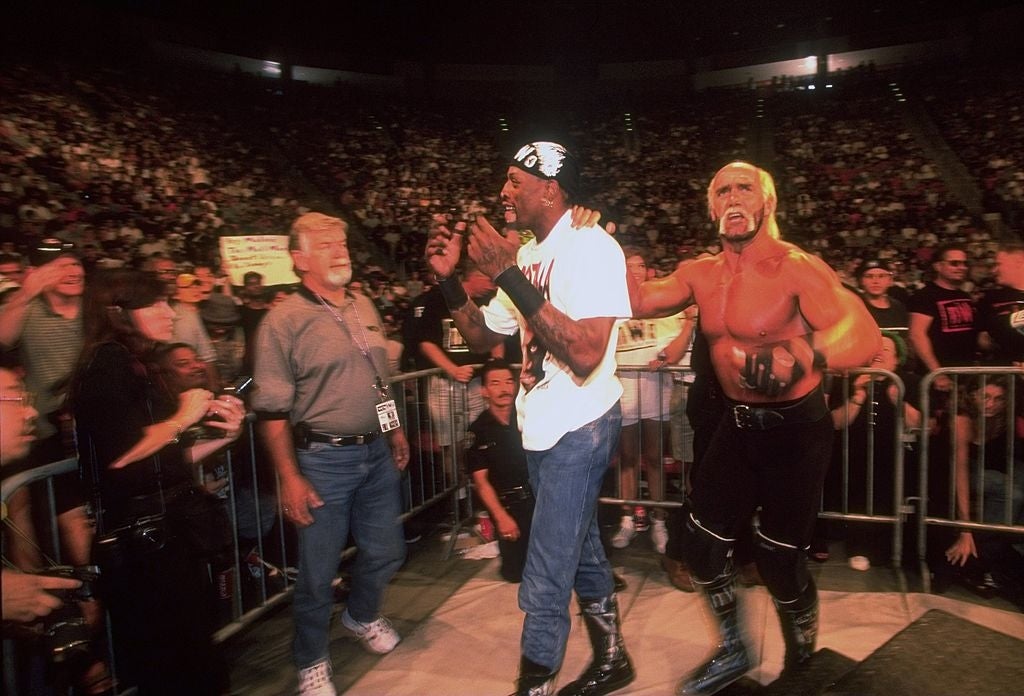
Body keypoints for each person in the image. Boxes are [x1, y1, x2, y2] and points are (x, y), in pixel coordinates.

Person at [628, 161, 879, 693]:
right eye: (723, 190)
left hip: (796, 431)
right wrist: (605, 254)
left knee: (778, 559)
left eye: (745, 187)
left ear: (767, 202)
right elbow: (639, 301)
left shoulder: (795, 267)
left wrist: (804, 353)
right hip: (737, 424)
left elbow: (864, 334)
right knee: (700, 545)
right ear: (712, 207)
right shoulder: (700, 272)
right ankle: (732, 647)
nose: (734, 197)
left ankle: (803, 660)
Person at [425, 140, 635, 696]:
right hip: (542, 425)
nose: (504, 191)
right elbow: (482, 337)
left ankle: (535, 682)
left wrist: (505, 271)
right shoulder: (527, 254)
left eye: (515, 181)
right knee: (580, 547)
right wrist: (449, 280)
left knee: (545, 569)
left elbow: (585, 354)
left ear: (550, 190)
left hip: (581, 424)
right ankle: (613, 658)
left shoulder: (592, 246)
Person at [252, 212, 409, 696]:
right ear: (299, 259)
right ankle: (311, 659)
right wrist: (289, 477)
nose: (340, 250)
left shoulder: (363, 304)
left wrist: (395, 430)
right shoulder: (282, 321)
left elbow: (378, 379)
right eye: (324, 245)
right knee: (318, 573)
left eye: (341, 242)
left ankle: (360, 615)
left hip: (376, 452)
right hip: (322, 460)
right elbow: (272, 410)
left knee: (387, 550)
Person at [71, 268, 246, 695]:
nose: (171, 312)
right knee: (172, 663)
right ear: (119, 312)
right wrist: (183, 417)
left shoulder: (136, 364)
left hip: (165, 534)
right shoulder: (106, 363)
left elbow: (162, 461)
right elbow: (122, 453)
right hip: (142, 546)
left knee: (192, 654)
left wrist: (225, 436)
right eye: (155, 304)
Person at [611, 246, 694, 555]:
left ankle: (659, 519)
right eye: (629, 265)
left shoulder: (663, 306)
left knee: (655, 458)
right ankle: (628, 518)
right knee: (628, 458)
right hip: (624, 390)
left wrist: (665, 358)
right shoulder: (612, 304)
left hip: (656, 389)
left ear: (648, 271)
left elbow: (676, 347)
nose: (635, 270)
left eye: (640, 265)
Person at [826, 332, 921, 571]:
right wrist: (857, 397)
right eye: (875, 349)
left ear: (897, 359)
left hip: (897, 454)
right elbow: (836, 422)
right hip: (854, 454)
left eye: (886, 350)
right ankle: (859, 547)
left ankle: (894, 550)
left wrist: (899, 400)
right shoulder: (849, 380)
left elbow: (919, 425)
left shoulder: (909, 382)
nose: (879, 353)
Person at [466, 358, 533, 583]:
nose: (504, 389)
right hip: (510, 506)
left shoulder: (530, 416)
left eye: (508, 382)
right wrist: (501, 517)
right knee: (515, 573)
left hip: (540, 496)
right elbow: (481, 482)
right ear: (484, 391)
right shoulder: (478, 430)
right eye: (495, 383)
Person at [907, 243, 978, 393]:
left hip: (966, 376)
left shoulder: (964, 296)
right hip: (937, 378)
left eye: (964, 263)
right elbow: (917, 335)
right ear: (938, 266)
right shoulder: (925, 296)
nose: (961, 267)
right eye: (954, 263)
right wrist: (937, 373)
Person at [977, 240, 1024, 365]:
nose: (994, 270)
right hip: (1004, 370)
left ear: (1018, 262)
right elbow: (984, 339)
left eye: (998, 264)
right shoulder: (990, 298)